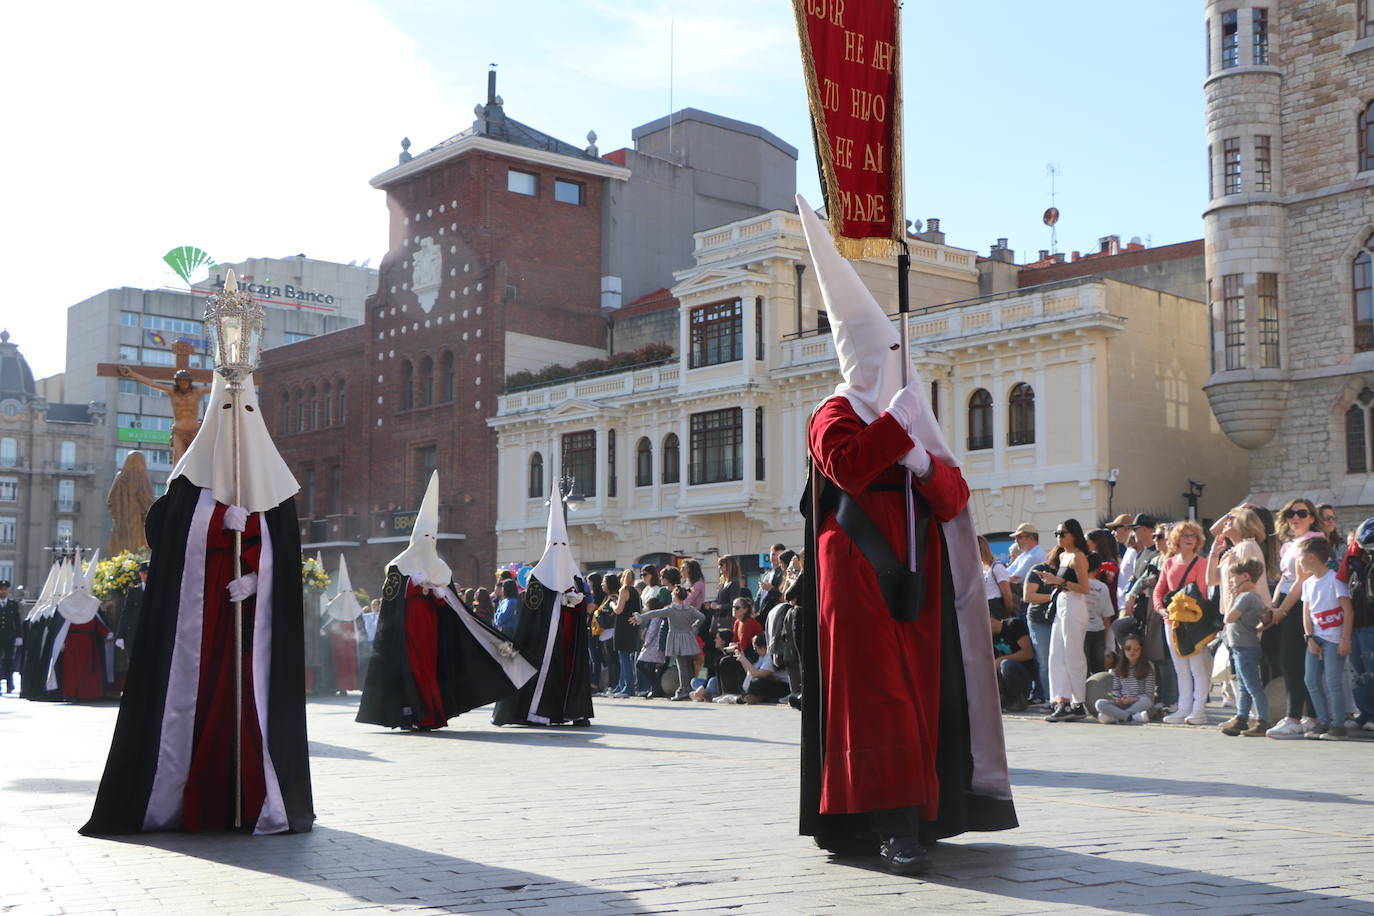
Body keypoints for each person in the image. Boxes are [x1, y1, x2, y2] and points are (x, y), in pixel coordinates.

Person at [795, 195, 1015, 874]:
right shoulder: (833, 412)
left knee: (920, 695)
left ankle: (925, 812)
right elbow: (849, 468)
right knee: (877, 699)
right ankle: (888, 825)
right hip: (859, 570)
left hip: (918, 576)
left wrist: (920, 454)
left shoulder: (906, 413)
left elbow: (954, 498)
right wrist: (895, 428)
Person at [82, 362, 314, 836]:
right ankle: (183, 793)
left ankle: (253, 796)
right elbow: (164, 533)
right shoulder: (188, 485)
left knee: (250, 702)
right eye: (228, 406)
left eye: (246, 407)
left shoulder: (277, 489)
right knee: (194, 700)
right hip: (198, 624)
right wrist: (212, 522)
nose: (237, 418)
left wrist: (258, 577)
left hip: (252, 625)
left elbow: (286, 556)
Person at [358, 472, 536, 733]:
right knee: (412, 671)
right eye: (424, 539)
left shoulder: (440, 567)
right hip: (406, 631)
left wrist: (439, 594)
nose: (428, 544)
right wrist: (412, 585)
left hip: (431, 631)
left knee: (430, 671)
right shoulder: (398, 566)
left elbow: (453, 607)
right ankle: (412, 713)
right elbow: (390, 600)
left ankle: (430, 714)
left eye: (432, 539)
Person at [493, 497, 594, 728]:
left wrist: (576, 602)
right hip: (546, 641)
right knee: (548, 673)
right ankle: (540, 712)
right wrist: (559, 602)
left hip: (570, 637)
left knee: (571, 672)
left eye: (564, 546)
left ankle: (574, 711)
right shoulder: (538, 578)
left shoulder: (575, 575)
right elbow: (534, 611)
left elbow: (582, 600)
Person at [1265, 498, 1324, 738]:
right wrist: (1273, 605)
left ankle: (1295, 717)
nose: (1295, 518)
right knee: (1290, 662)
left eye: (1302, 513)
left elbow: (1301, 581)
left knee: (1295, 662)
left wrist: (1282, 611)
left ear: (1311, 517)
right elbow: (1284, 578)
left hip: (1302, 605)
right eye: (1291, 513)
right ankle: (1308, 715)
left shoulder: (1314, 540)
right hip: (1286, 603)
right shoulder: (1288, 544)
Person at [1153, 520, 1212, 725]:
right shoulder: (1169, 563)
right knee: (1181, 669)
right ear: (1176, 539)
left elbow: (1203, 594)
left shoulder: (1202, 563)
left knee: (1197, 667)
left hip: (1193, 623)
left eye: (1193, 536)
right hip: (1171, 622)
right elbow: (1158, 591)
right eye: (1185, 536)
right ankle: (1184, 707)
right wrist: (1162, 610)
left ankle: (1198, 710)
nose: (1189, 539)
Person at [1297, 537, 1353, 739]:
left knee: (1333, 681)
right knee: (1311, 679)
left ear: (1311, 557)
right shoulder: (1308, 584)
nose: (1299, 561)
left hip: (1334, 639)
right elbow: (1306, 613)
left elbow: (1347, 610)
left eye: (1300, 557)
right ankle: (1322, 721)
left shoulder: (1335, 579)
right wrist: (1309, 637)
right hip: (1315, 638)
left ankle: (1338, 725)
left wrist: (1345, 639)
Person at [1042, 520, 1092, 722]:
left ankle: (1077, 701)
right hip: (1062, 601)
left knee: (1073, 654)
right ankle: (1061, 700)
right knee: (1056, 654)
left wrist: (1058, 581)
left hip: (1074, 603)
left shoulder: (1078, 556)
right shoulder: (1063, 556)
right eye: (1057, 533)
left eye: (1062, 533)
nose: (1059, 537)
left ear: (1074, 535)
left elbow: (1085, 588)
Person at [1217, 548, 1271, 736]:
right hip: (1240, 647)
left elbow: (1229, 618)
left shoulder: (1247, 597)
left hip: (1245, 647)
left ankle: (1263, 720)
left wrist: (1231, 596)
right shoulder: (1249, 596)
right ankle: (1241, 718)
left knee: (1252, 685)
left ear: (1245, 577)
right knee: (1243, 685)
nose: (1231, 583)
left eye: (1233, 579)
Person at [47, 550, 112, 702]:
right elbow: (60, 626)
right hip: (71, 644)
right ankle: (71, 693)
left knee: (87, 670)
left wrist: (106, 633)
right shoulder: (65, 604)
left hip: (88, 644)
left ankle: (86, 693)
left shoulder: (92, 603)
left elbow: (96, 621)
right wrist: (61, 641)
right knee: (71, 671)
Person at [116, 366, 211, 465]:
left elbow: (214, 388)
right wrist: (132, 374)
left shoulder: (198, 391)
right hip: (179, 431)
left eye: (186, 381)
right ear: (177, 382)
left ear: (190, 382)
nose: (183, 383)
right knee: (178, 458)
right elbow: (152, 383)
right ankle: (177, 480)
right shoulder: (172, 391)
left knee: (194, 459)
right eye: (181, 381)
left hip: (194, 431)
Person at [635, 585, 705, 701]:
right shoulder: (689, 609)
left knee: (681, 665)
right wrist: (694, 628)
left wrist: (640, 618)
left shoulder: (671, 609)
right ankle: (687, 689)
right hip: (688, 637)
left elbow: (654, 614)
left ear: (675, 596)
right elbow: (702, 617)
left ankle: (684, 690)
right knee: (687, 665)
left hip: (676, 638)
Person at [318, 555, 364, 696]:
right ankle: (338, 686)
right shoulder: (332, 605)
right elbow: (325, 622)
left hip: (350, 640)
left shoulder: (354, 605)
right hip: (336, 639)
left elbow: (360, 624)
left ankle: (350, 685)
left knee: (350, 663)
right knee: (338, 664)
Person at [1094, 635, 1155, 724]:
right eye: (1128, 648)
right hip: (1122, 704)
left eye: (1136, 649)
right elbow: (1116, 690)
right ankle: (1131, 717)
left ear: (1141, 650)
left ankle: (1120, 717)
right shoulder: (1118, 668)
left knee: (1147, 701)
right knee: (1099, 704)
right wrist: (1119, 700)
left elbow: (1149, 695)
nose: (1132, 651)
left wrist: (1132, 699)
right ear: (1123, 650)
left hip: (1138, 703)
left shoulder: (1147, 668)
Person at [1021, 563, 1055, 706]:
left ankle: (1061, 697)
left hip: (1060, 619)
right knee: (1044, 661)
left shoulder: (1068, 571)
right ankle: (1049, 697)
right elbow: (1028, 596)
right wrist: (1054, 596)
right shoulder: (1039, 569)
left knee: (1060, 661)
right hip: (1040, 620)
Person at [112, 562, 148, 692]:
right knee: (134, 663)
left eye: (148, 573)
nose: (146, 576)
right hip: (134, 633)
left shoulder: (157, 590)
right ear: (140, 574)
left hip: (150, 633)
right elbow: (125, 614)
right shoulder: (134, 591)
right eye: (144, 573)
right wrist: (120, 635)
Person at [990, 608, 1034, 712]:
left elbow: (1028, 653)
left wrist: (1000, 659)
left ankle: (1018, 701)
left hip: (1023, 675)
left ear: (990, 619)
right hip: (1005, 679)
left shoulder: (1014, 625)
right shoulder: (990, 637)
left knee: (1006, 664)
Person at [610, 569, 642, 697]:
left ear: (623, 578)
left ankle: (628, 687)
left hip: (622, 626)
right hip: (632, 626)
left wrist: (612, 603)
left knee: (623, 657)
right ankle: (622, 685)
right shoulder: (635, 592)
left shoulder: (623, 590)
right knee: (625, 657)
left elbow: (618, 610)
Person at [737, 632, 790, 704]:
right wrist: (742, 659)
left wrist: (744, 659)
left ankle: (759, 698)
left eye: (756, 649)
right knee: (754, 680)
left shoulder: (770, 655)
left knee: (757, 682)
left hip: (786, 686)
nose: (755, 652)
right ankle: (754, 697)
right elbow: (750, 672)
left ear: (762, 647)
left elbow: (756, 674)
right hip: (778, 683)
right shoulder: (763, 656)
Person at [1084, 552, 1114, 676]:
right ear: (1098, 568)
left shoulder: (1075, 585)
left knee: (1082, 669)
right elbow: (1107, 617)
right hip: (1098, 630)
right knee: (1099, 670)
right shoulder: (1102, 587)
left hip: (1081, 630)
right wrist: (1109, 646)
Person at [1005, 523, 1046, 604]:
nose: (1016, 540)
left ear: (1031, 538)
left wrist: (1004, 577)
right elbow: (1006, 574)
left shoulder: (1034, 556)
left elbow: (1016, 578)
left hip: (1029, 601)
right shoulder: (1025, 555)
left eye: (1019, 537)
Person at [978, 536, 1013, 619]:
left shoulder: (997, 567)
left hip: (995, 607)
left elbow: (1007, 594)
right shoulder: (981, 568)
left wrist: (1008, 613)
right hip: (984, 607)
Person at [756, 543, 788, 621]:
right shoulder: (766, 574)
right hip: (762, 613)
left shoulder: (784, 573)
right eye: (773, 554)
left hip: (775, 614)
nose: (775, 558)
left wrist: (771, 589)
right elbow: (759, 595)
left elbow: (782, 596)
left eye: (779, 555)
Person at [0, 579, 20, 694]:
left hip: (9, 637)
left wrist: (19, 636)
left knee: (9, 661)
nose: (3, 591)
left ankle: (9, 684)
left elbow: (17, 621)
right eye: (1, 589)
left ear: (8, 591)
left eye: (5, 589)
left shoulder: (13, 604)